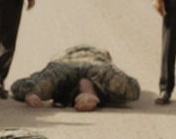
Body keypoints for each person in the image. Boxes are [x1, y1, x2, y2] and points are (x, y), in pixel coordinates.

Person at [10, 45, 140, 112]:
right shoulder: (102, 59)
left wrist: (29, 93)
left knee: (40, 86)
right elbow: (134, 88)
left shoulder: (62, 60)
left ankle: (89, 94)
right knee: (123, 87)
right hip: (94, 62)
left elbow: (17, 85)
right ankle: (89, 93)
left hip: (66, 63)